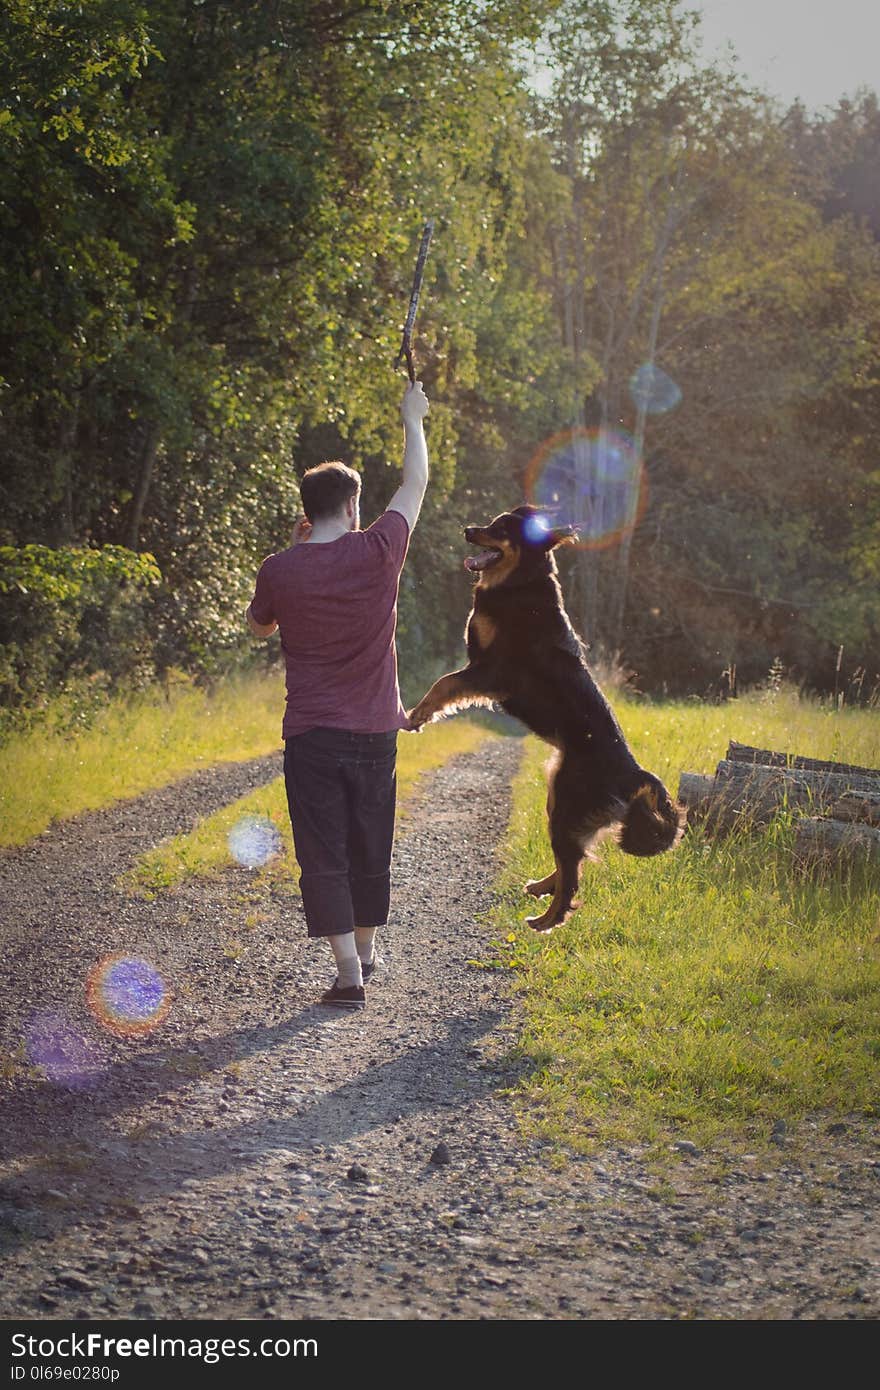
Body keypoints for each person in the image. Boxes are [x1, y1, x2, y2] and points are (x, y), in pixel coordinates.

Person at [245, 381, 430, 1010]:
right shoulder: (378, 551)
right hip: (376, 730)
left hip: (312, 735)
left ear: (307, 510)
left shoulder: (280, 568)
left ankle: (349, 971)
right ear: (353, 509)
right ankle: (371, 950)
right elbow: (415, 483)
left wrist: (298, 556)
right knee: (370, 836)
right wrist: (413, 418)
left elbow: (261, 625)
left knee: (322, 847)